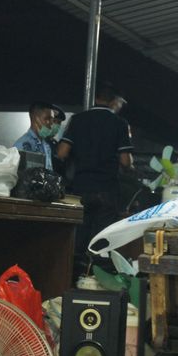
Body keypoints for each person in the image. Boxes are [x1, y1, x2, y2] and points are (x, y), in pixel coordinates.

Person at [56, 83, 134, 277]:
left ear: (96, 98)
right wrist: (131, 166)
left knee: (78, 243)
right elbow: (125, 161)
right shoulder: (119, 123)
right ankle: (95, 286)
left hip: (80, 190)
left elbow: (62, 152)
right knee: (100, 244)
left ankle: (72, 282)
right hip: (107, 191)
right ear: (114, 101)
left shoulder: (78, 120)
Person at [13, 102, 56, 170]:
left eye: (52, 120)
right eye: (47, 118)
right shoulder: (22, 144)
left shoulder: (46, 145)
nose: (51, 124)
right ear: (35, 118)